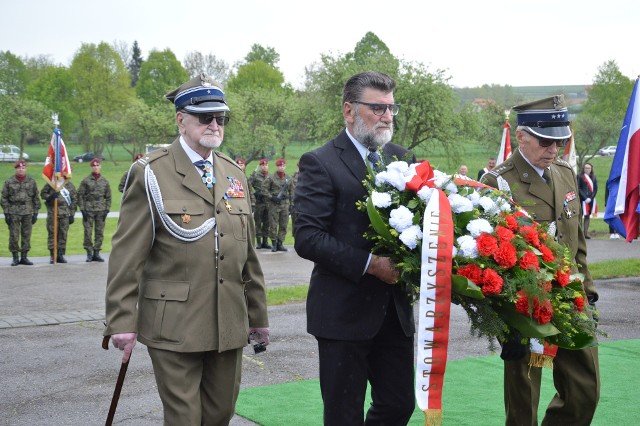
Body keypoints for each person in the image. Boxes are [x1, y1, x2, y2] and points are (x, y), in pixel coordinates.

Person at [103, 73, 269, 425]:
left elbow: (247, 256)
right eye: (204, 116)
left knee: (219, 415)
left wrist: (258, 317)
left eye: (220, 118)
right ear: (180, 119)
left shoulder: (234, 174)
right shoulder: (151, 171)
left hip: (228, 322)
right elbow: (127, 253)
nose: (214, 124)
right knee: (184, 418)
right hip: (173, 323)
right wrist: (121, 319)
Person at [294, 71, 416, 425]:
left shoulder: (401, 158)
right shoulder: (320, 161)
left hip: (394, 313)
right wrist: (370, 264)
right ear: (349, 111)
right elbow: (307, 236)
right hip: (342, 314)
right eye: (377, 108)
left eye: (391, 108)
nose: (388, 117)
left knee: (398, 405)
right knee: (344, 416)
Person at [481, 95, 600, 425]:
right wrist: (505, 317)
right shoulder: (498, 182)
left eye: (560, 141)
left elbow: (574, 243)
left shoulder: (563, 172)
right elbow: (488, 259)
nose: (554, 149)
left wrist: (587, 293)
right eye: (546, 141)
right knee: (523, 405)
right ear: (521, 137)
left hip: (570, 296)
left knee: (585, 390)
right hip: (525, 307)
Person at [1, 160, 40, 266]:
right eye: (19, 168)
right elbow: (4, 198)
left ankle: (24, 257)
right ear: (16, 169)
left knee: (26, 235)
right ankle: (15, 257)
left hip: (28, 212)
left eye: (23, 168)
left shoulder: (31, 181)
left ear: (25, 169)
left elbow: (36, 197)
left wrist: (35, 213)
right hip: (14, 212)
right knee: (14, 235)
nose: (21, 169)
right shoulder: (9, 182)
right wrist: (6, 213)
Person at [78, 157, 111, 262]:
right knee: (88, 232)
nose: (96, 167)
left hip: (101, 210)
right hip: (89, 209)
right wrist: (82, 209)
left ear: (100, 167)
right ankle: (89, 253)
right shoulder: (86, 180)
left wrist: (107, 209)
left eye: (97, 165)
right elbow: (80, 195)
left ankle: (96, 253)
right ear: (91, 167)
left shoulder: (105, 181)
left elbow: (108, 196)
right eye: (94, 166)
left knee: (99, 232)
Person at [40, 179, 77, 264]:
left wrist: (72, 214)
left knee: (63, 234)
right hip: (53, 213)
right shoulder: (51, 184)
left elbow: (74, 200)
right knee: (52, 234)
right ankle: (53, 255)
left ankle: (60, 254)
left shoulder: (69, 185)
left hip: (65, 213)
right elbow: (42, 194)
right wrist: (50, 197)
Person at [264, 158, 291, 252]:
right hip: (274, 204)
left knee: (283, 224)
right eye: (280, 166)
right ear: (277, 166)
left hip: (285, 204)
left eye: (283, 166)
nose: (282, 167)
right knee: (273, 225)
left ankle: (280, 243)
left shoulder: (288, 178)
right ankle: (274, 244)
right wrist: (271, 197)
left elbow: (291, 192)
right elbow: (264, 190)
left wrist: (291, 204)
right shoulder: (271, 178)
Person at [248, 158, 271, 249]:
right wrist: (254, 193)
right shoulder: (256, 175)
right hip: (259, 202)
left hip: (268, 203)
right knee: (258, 222)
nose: (264, 166)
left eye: (266, 165)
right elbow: (248, 183)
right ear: (260, 166)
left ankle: (265, 242)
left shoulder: (270, 176)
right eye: (262, 165)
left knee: (267, 223)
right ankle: (258, 242)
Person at [578, 162, 598, 239]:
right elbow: (578, 188)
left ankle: (585, 233)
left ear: (591, 169)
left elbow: (595, 189)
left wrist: (591, 198)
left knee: (587, 216)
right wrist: (585, 197)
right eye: (586, 168)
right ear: (583, 169)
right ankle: (579, 234)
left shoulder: (594, 177)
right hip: (582, 200)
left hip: (590, 200)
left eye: (589, 168)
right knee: (580, 216)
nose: (587, 169)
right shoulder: (580, 176)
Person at [289, 161, 300, 237]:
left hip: (308, 206)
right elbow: (292, 191)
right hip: (296, 204)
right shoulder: (294, 177)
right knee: (295, 223)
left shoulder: (311, 176)